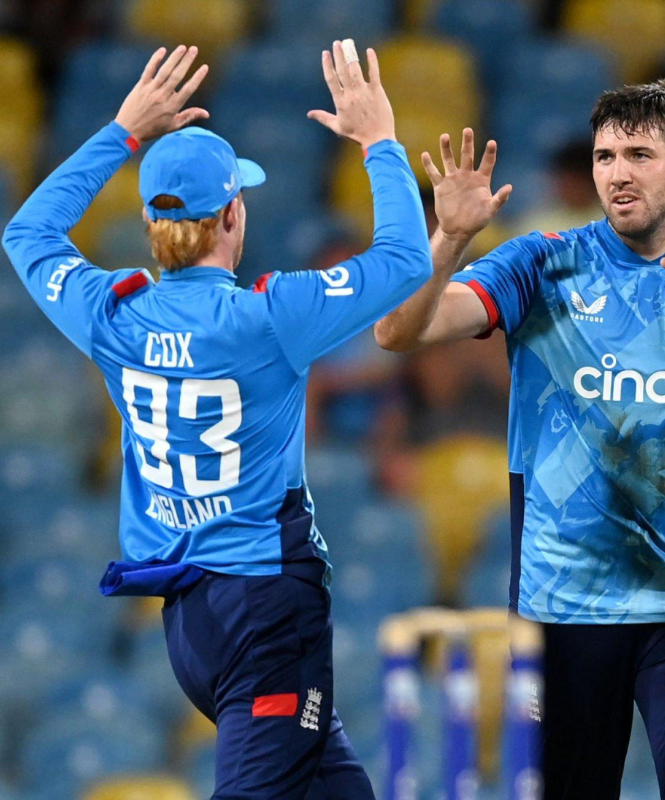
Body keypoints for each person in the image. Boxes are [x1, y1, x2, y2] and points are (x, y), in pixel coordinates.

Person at [373, 80, 665, 799]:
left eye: (640, 154)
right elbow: (399, 332)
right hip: (565, 611)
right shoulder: (541, 264)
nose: (618, 173)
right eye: (605, 156)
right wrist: (451, 238)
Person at [3, 41, 432, 798]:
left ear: (150, 223)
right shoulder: (267, 317)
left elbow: (27, 235)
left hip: (191, 623)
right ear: (233, 213)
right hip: (265, 614)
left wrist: (121, 132)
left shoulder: (113, 313)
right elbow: (404, 260)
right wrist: (381, 143)